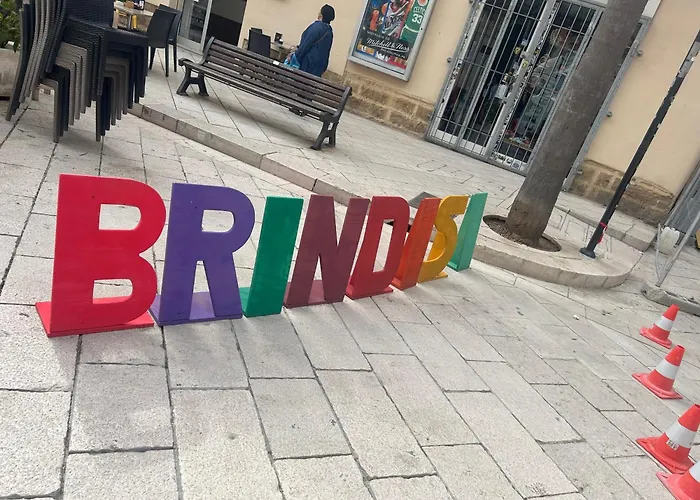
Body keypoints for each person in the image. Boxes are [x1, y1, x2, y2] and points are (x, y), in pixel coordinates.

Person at [295, 5, 335, 78]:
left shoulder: (316, 27)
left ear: (321, 15)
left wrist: (296, 56)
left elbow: (306, 44)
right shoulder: (329, 31)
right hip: (319, 67)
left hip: (308, 64)